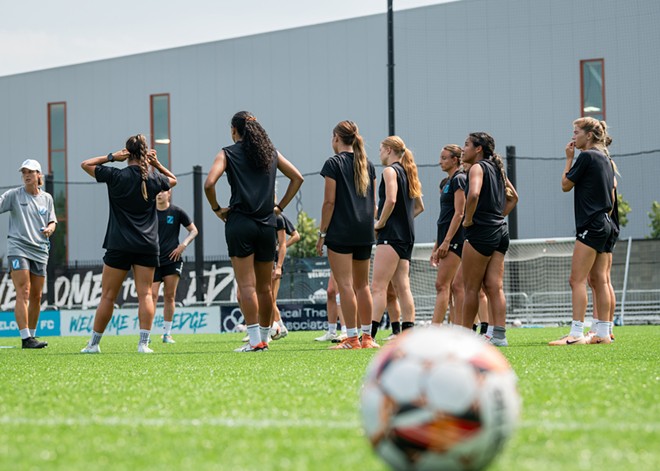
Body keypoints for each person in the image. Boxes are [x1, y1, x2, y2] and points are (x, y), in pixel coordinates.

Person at [204, 111, 303, 352]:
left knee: (246, 287)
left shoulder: (226, 153)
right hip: (267, 224)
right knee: (265, 287)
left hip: (240, 223)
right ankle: (265, 338)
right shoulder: (271, 153)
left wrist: (217, 209)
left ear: (234, 131)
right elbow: (297, 178)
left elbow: (209, 184)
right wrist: (279, 208)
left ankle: (253, 341)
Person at [80, 134, 176, 353]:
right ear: (144, 154)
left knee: (108, 296)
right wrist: (157, 164)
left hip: (119, 244)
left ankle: (94, 344)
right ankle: (143, 344)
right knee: (145, 295)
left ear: (127, 153)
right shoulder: (152, 178)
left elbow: (85, 164)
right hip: (146, 246)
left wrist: (112, 156)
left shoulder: (115, 174)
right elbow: (173, 180)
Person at [550, 118, 615, 345]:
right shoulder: (605, 158)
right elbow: (613, 197)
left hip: (592, 224)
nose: (573, 136)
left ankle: (576, 333)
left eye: (576, 132)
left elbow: (565, 185)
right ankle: (603, 333)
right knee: (599, 280)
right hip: (605, 222)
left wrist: (568, 160)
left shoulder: (586, 156)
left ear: (588, 135)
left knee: (576, 280)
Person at [316, 120, 376, 350]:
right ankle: (368, 338)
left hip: (341, 230)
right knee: (363, 286)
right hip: (364, 230)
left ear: (336, 138)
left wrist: (322, 233)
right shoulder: (368, 164)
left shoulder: (333, 163)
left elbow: (329, 202)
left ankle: (351, 339)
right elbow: (373, 203)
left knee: (345, 285)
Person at [461, 132, 518, 347]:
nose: (462, 148)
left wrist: (468, 220)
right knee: (495, 286)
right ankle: (499, 336)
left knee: (470, 288)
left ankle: (464, 338)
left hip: (481, 232)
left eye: (466, 144)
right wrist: (499, 216)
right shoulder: (497, 169)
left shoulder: (477, 168)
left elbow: (473, 195)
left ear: (478, 149)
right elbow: (514, 197)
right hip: (501, 232)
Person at [369, 136, 424, 347]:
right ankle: (408, 334)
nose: (380, 153)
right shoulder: (408, 172)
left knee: (378, 286)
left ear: (390, 150)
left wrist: (380, 223)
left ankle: (369, 335)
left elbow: (391, 199)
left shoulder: (390, 171)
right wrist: (402, 220)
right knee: (403, 287)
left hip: (390, 236)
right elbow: (418, 207)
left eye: (381, 149)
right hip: (406, 236)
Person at [0, 159, 57, 349]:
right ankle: (25, 337)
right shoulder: (14, 195)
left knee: (37, 295)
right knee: (23, 291)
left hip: (40, 251)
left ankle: (31, 336)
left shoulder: (47, 198)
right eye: (24, 172)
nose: (26, 175)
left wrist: (50, 229)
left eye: (30, 172)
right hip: (18, 249)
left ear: (38, 175)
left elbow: (53, 221)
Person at [151, 189, 198, 344]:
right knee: (151, 296)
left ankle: (167, 333)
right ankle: (146, 333)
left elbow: (193, 230)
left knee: (169, 296)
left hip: (172, 259)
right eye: (157, 191)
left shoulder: (176, 212)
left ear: (169, 193)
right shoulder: (149, 211)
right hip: (152, 260)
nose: (159, 194)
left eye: (163, 191)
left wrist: (183, 245)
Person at [430, 144, 466, 325]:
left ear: (455, 160)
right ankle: (457, 328)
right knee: (452, 287)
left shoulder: (459, 179)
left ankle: (435, 330)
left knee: (442, 285)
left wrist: (446, 242)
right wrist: (437, 245)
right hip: (447, 240)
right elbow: (444, 218)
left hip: (456, 240)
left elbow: (459, 213)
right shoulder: (448, 182)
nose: (440, 161)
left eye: (444, 158)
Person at [270, 209, 300, 340]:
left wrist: (282, 246)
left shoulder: (278, 217)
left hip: (275, 261)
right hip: (265, 260)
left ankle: (274, 329)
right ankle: (280, 327)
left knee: (270, 299)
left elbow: (296, 235)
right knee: (268, 299)